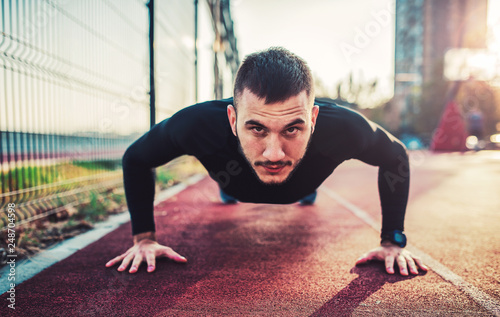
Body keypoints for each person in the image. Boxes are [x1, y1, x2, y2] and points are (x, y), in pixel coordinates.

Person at [106, 47, 428, 276]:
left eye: (293, 128)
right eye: (256, 128)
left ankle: (306, 191)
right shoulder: (197, 125)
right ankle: (230, 189)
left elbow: (396, 154)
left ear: (313, 119)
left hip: (301, 181)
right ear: (232, 119)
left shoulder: (343, 128)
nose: (274, 152)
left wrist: (392, 240)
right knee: (232, 185)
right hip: (235, 180)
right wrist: (144, 238)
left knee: (300, 186)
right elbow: (135, 158)